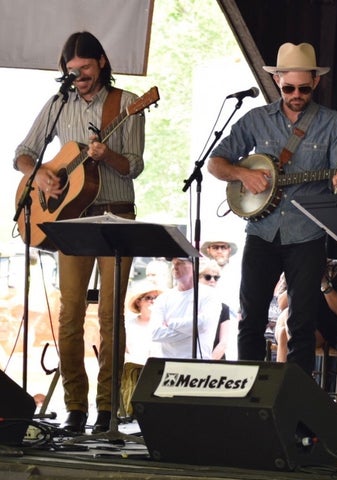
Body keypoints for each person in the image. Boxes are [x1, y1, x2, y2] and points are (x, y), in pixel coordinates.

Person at [13, 31, 145, 433]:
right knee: (70, 316)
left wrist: (109, 156)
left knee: (110, 316)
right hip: (72, 221)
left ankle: (107, 409)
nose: (79, 77)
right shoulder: (58, 104)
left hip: (116, 216)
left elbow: (135, 166)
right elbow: (24, 153)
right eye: (72, 71)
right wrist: (42, 177)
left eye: (85, 69)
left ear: (102, 62)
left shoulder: (127, 104)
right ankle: (75, 407)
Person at [207, 42, 337, 375]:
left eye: (304, 87)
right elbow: (215, 163)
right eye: (289, 87)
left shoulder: (334, 123)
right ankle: (248, 397)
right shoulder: (256, 120)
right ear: (277, 82)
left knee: (302, 324)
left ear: (316, 82)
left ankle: (296, 411)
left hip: (307, 232)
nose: (297, 94)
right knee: (251, 318)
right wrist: (242, 173)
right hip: (261, 231)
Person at [274, 258, 337, 362]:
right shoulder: (291, 264)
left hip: (320, 326)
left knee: (284, 332)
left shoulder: (334, 267)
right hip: (289, 321)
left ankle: (289, 375)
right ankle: (297, 370)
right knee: (288, 314)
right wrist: (300, 280)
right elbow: (282, 304)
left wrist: (323, 283)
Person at [150, 257, 222, 359]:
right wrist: (191, 329)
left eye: (180, 263)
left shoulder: (210, 295)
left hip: (198, 365)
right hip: (168, 364)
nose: (174, 267)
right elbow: (155, 333)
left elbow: (203, 324)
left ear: (194, 265)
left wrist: (171, 324)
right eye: (173, 263)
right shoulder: (163, 298)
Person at [120, 281, 162, 417]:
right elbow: (124, 349)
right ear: (139, 301)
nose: (153, 302)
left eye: (156, 298)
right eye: (149, 298)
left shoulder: (161, 324)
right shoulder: (128, 324)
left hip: (155, 366)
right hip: (133, 367)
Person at [197, 258, 235, 360]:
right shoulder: (190, 305)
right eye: (208, 277)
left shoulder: (223, 307)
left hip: (215, 361)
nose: (212, 280)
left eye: (216, 278)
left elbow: (223, 342)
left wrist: (208, 364)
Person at [200, 239, 241, 320]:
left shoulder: (239, 273)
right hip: (205, 321)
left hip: (232, 322)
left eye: (223, 247)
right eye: (215, 248)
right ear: (208, 250)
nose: (219, 251)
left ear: (229, 250)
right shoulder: (200, 273)